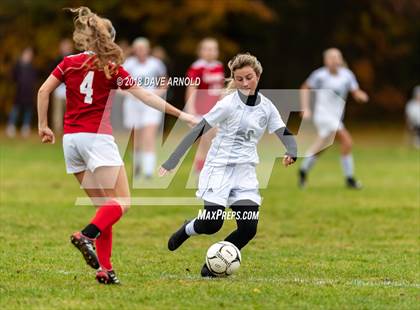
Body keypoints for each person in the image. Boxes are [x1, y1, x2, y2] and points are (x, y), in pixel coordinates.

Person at [37, 7, 196, 284]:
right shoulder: (110, 68)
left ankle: (105, 270)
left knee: (105, 207)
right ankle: (85, 235)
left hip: (71, 141)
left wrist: (43, 125)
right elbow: (146, 97)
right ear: (108, 40)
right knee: (123, 201)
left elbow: (43, 90)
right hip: (97, 140)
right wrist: (182, 115)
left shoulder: (68, 62)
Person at [159, 53, 297, 277]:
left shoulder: (267, 107)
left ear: (258, 76)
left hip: (245, 172)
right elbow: (199, 129)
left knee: (248, 229)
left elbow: (283, 131)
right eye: (239, 79)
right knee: (212, 223)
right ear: (234, 78)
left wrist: (292, 151)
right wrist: (173, 159)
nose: (244, 83)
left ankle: (214, 267)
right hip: (219, 168)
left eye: (249, 78)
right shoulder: (227, 105)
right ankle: (189, 228)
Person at [298, 48, 369, 189]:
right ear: (326, 61)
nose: (335, 60)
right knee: (347, 141)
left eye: (337, 57)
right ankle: (349, 179)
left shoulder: (347, 75)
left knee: (323, 146)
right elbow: (304, 88)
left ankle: (303, 170)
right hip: (323, 115)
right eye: (331, 57)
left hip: (336, 117)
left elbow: (355, 91)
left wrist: (361, 95)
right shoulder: (319, 75)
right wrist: (305, 108)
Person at [122, 37, 168, 180]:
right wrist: (131, 94)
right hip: (133, 104)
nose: (141, 51)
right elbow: (119, 85)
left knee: (149, 135)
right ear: (134, 50)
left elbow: (164, 83)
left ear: (148, 49)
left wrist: (155, 94)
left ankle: (148, 171)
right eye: (138, 48)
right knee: (137, 138)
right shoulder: (128, 64)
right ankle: (137, 167)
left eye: (143, 48)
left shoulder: (156, 64)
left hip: (151, 104)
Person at [185, 38, 225, 174]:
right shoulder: (197, 67)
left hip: (216, 110)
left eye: (213, 49)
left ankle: (210, 173)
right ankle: (200, 174)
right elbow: (191, 89)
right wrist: (191, 111)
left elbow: (220, 90)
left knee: (215, 143)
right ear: (200, 51)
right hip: (201, 111)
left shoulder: (218, 66)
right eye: (207, 49)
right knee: (204, 143)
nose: (210, 52)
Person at [6, 47, 37, 138]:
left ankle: (25, 127)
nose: (28, 56)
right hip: (19, 92)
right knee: (15, 110)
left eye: (30, 55)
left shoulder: (32, 67)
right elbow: (12, 77)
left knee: (28, 110)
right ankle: (11, 126)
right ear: (23, 55)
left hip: (29, 93)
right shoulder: (18, 66)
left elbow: (34, 80)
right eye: (27, 54)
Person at [51, 39, 74, 134]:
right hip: (59, 89)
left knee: (70, 111)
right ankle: (57, 130)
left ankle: (70, 129)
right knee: (57, 112)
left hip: (71, 90)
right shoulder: (56, 60)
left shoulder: (74, 59)